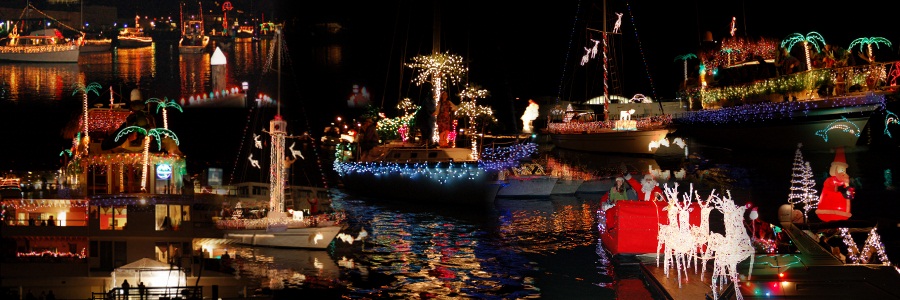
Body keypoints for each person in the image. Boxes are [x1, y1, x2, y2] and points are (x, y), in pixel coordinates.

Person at [816, 147, 854, 222]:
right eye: (840, 169)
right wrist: (837, 187)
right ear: (834, 169)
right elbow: (830, 187)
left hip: (842, 212)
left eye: (843, 170)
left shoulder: (846, 182)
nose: (842, 172)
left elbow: (850, 195)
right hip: (827, 210)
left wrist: (848, 188)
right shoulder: (830, 180)